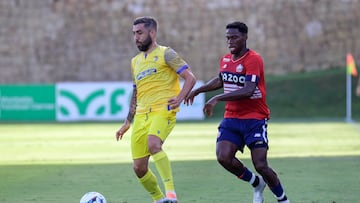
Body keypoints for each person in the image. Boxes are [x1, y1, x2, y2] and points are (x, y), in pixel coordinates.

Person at [185, 21, 290, 203]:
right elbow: (221, 80)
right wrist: (198, 90)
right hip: (231, 118)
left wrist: (217, 98)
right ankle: (256, 183)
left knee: (261, 165)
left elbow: (249, 89)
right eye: (228, 38)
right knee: (223, 157)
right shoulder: (226, 59)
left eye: (234, 37)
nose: (230, 41)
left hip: (254, 119)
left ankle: (282, 199)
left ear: (245, 37)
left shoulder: (253, 59)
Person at [116, 16, 196, 203]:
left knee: (154, 144)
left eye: (140, 33)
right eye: (134, 33)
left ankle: (171, 194)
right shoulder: (135, 61)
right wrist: (128, 121)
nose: (136, 37)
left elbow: (190, 77)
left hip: (163, 110)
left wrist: (180, 97)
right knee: (139, 168)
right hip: (141, 116)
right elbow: (136, 92)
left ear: (152, 33)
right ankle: (159, 199)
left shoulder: (166, 53)